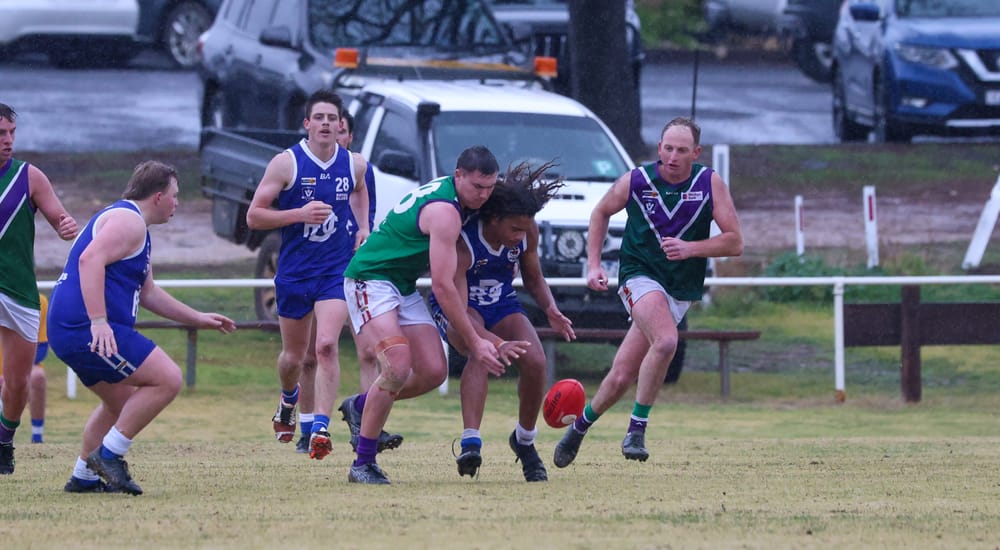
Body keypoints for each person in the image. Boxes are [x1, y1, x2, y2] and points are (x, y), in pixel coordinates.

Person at [553, 117, 743, 467]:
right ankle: (637, 429)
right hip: (638, 276)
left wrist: (691, 248)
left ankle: (578, 428)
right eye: (667, 148)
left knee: (622, 374)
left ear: (696, 153)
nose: (672, 156)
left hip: (679, 288)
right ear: (659, 148)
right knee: (667, 341)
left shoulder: (709, 183)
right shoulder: (637, 180)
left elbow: (734, 242)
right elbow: (601, 213)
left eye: (681, 150)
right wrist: (593, 265)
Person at [48, 160, 236, 495]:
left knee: (120, 400)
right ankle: (109, 455)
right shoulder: (128, 222)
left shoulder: (136, 228)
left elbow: (147, 293)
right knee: (168, 379)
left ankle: (83, 477)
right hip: (82, 327)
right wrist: (99, 322)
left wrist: (198, 318)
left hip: (73, 328)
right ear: (159, 196)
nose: (178, 202)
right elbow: (88, 260)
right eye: (176, 195)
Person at [341, 145, 512, 484]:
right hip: (370, 278)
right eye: (478, 187)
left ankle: (361, 406)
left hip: (400, 284)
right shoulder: (445, 212)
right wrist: (476, 341)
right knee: (398, 365)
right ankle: (362, 463)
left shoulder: (461, 196)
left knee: (434, 371)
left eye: (490, 188)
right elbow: (443, 286)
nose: (484, 196)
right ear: (458, 175)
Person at [429, 161, 575, 482]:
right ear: (493, 220)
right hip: (459, 307)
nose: (520, 236)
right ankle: (470, 442)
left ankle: (524, 442)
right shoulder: (464, 242)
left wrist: (550, 308)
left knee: (536, 361)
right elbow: (460, 306)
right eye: (515, 230)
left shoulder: (526, 231)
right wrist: (493, 342)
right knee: (481, 354)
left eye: (525, 230)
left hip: (501, 301)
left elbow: (533, 277)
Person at [246, 90, 369, 461]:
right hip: (296, 273)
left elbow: (361, 191)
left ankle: (319, 428)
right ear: (307, 124)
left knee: (327, 346)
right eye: (320, 118)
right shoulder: (286, 164)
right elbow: (254, 216)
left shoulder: (355, 164)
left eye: (333, 118)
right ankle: (288, 400)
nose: (327, 124)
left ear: (341, 125)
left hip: (335, 270)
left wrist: (363, 227)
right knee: (294, 358)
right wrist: (297, 214)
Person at [0, 103, 79, 475]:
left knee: (18, 383)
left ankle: (4, 442)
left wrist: (65, 227)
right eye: (1, 134)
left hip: (19, 291)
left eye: (12, 133)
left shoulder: (30, 178)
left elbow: (60, 218)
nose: (8, 141)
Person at [332, 110, 404, 454]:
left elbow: (368, 215)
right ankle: (308, 424)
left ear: (350, 136)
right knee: (311, 351)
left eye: (343, 131)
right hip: (319, 267)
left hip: (355, 266)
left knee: (366, 352)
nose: (337, 136)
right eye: (332, 129)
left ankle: (366, 418)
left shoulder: (361, 170)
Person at [0, 293, 50, 444]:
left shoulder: (38, 300)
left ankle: (37, 437)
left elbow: (41, 347)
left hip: (19, 368)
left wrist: (15, 373)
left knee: (38, 376)